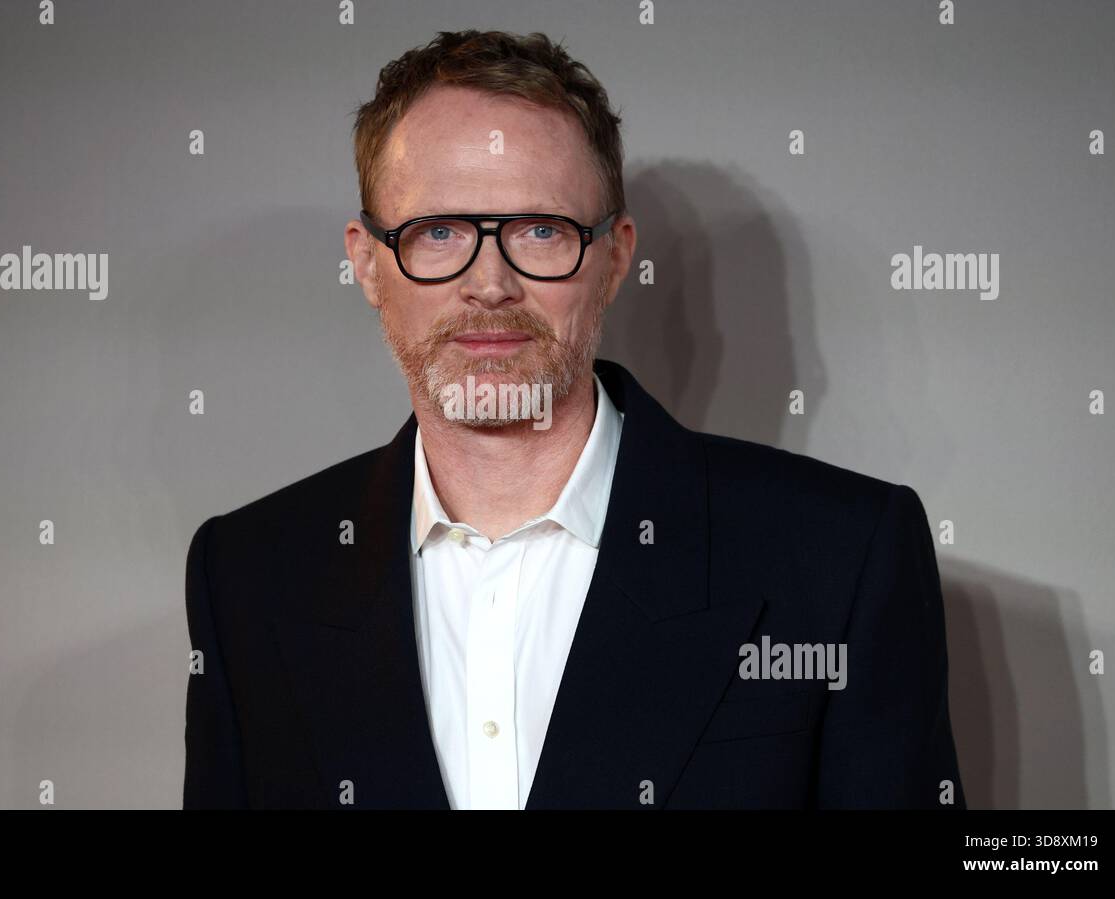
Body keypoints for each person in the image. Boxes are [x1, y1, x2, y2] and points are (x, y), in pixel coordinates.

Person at [182, 29, 964, 809]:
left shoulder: (841, 557)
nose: (489, 283)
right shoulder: (247, 577)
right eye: (440, 232)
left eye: (540, 231)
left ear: (616, 256)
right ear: (366, 261)